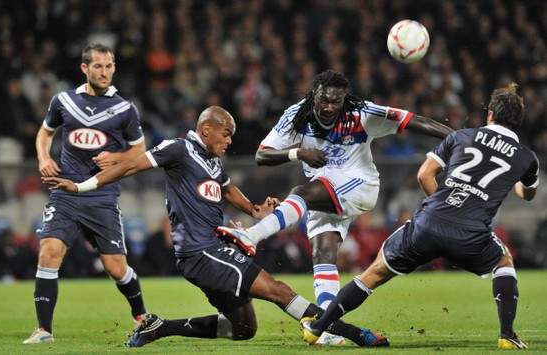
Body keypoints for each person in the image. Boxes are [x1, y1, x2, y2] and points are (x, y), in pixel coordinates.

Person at [42, 106, 389, 348]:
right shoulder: (179, 149)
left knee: (244, 329)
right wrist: (83, 186)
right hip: (201, 250)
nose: (229, 141)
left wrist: (255, 209)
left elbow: (227, 189)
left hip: (209, 251)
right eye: (226, 134)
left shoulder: (211, 161)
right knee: (279, 291)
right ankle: (355, 334)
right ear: (206, 129)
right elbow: (132, 166)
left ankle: (160, 328)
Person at [217, 70, 453, 344]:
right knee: (323, 254)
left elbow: (416, 121)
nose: (329, 107)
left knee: (300, 193)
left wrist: (459, 140)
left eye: (336, 102)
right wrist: (298, 153)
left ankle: (252, 235)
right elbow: (262, 155)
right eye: (324, 100)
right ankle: (327, 329)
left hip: (360, 184)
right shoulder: (297, 114)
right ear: (313, 95)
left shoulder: (362, 112)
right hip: (325, 190)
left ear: (345, 99)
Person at [300, 83, 539, 350]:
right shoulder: (526, 158)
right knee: (503, 261)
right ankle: (507, 335)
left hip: (428, 223)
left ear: (490, 114)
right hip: (471, 234)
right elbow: (526, 194)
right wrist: (517, 182)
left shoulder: (461, 136)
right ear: (518, 121)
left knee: (375, 272)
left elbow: (424, 174)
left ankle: (318, 328)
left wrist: (441, 207)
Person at [23, 43, 148, 344]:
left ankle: (142, 315)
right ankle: (44, 331)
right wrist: (44, 157)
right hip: (65, 192)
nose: (104, 72)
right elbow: (45, 132)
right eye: (98, 66)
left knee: (115, 268)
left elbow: (140, 151)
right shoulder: (63, 101)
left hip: (102, 196)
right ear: (85, 68)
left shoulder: (124, 109)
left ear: (114, 67)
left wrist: (117, 159)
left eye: (109, 66)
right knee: (49, 252)